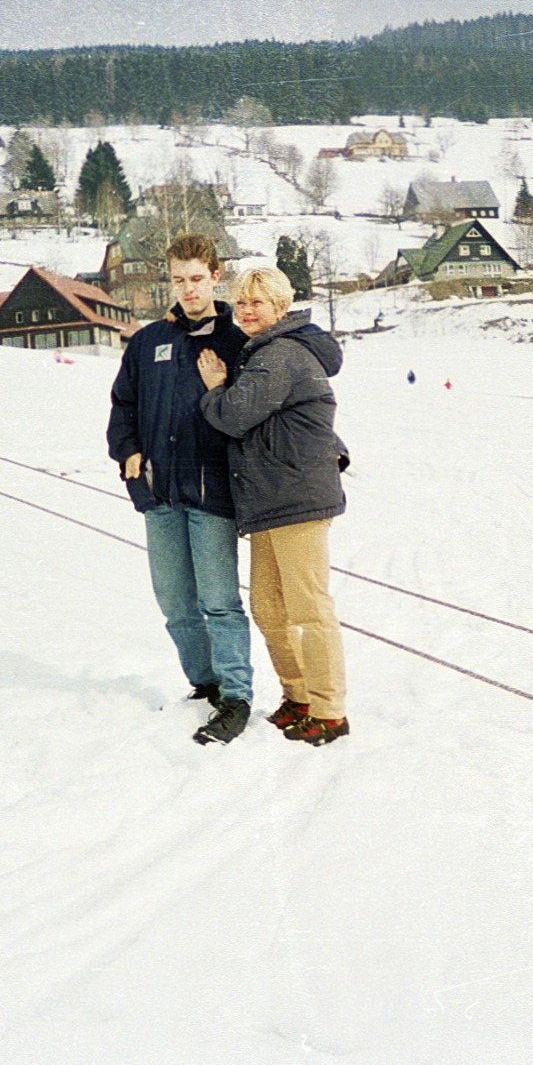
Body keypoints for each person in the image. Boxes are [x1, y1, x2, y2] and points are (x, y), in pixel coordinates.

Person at [107, 233, 253, 745]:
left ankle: (236, 696)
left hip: (212, 491)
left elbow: (256, 410)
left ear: (216, 277)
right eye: (178, 279)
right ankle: (205, 684)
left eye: (197, 278)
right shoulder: (150, 342)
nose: (188, 289)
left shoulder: (238, 341)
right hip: (159, 490)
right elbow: (123, 404)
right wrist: (127, 450)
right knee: (174, 601)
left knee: (219, 600)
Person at [196, 267, 350, 747]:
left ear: (281, 308)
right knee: (269, 607)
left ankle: (329, 710)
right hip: (270, 499)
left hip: (296, 499)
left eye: (257, 303)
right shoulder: (263, 353)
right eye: (241, 303)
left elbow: (235, 415)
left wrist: (214, 388)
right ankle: (298, 696)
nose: (246, 311)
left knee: (308, 607)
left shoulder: (280, 354)